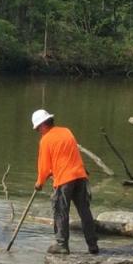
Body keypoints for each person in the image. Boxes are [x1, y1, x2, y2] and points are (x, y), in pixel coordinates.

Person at [32, 109, 99, 255]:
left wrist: (39, 183)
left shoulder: (46, 140)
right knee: (84, 211)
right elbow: (66, 155)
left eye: (38, 128)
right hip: (80, 175)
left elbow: (43, 167)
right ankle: (92, 244)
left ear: (43, 125)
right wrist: (52, 170)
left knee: (60, 211)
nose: (39, 131)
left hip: (64, 179)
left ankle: (62, 244)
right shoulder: (66, 131)